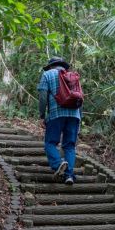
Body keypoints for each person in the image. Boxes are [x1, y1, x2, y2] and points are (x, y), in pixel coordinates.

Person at [37, 56, 81, 185]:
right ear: (62, 65)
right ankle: (69, 176)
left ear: (51, 65)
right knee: (69, 146)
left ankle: (59, 164)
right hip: (74, 115)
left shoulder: (47, 74)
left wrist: (42, 114)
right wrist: (79, 118)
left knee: (50, 143)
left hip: (56, 114)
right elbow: (79, 98)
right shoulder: (72, 76)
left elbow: (43, 96)